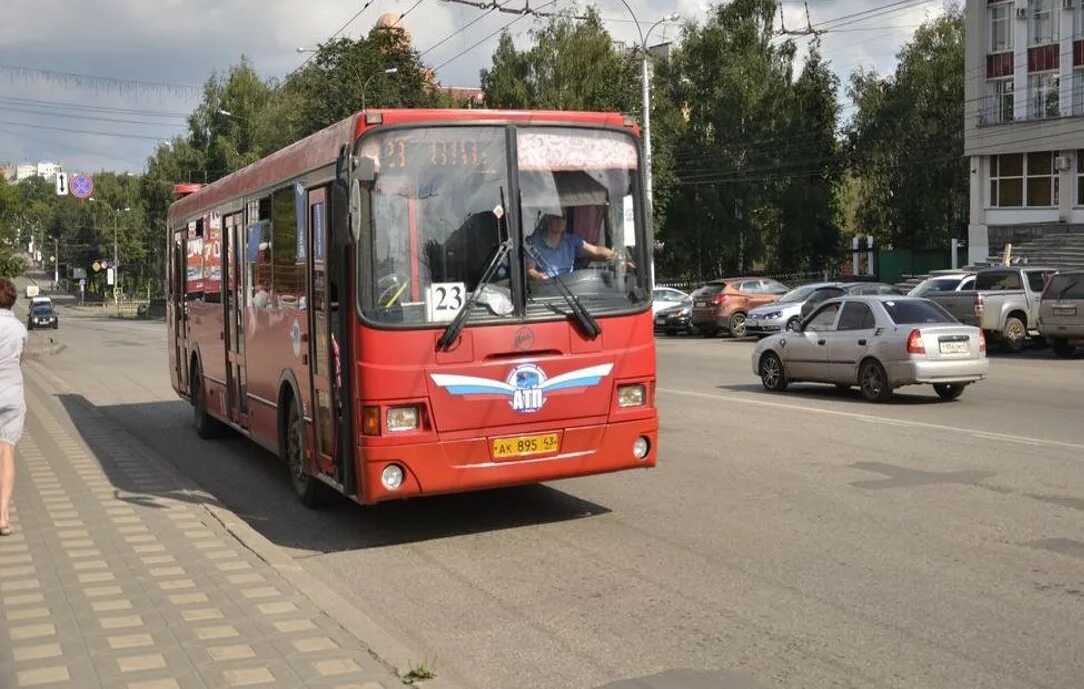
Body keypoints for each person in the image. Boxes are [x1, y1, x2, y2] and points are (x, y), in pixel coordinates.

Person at [0, 277, 28, 537]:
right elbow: (19, 358)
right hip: (11, 395)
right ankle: (3, 514)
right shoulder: (19, 328)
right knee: (6, 452)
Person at [526, 212, 614, 281]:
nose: (561, 220)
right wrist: (538, 276)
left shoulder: (572, 241)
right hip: (546, 290)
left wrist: (614, 255)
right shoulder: (534, 242)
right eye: (557, 217)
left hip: (570, 288)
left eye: (563, 217)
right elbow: (530, 270)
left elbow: (595, 250)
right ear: (547, 219)